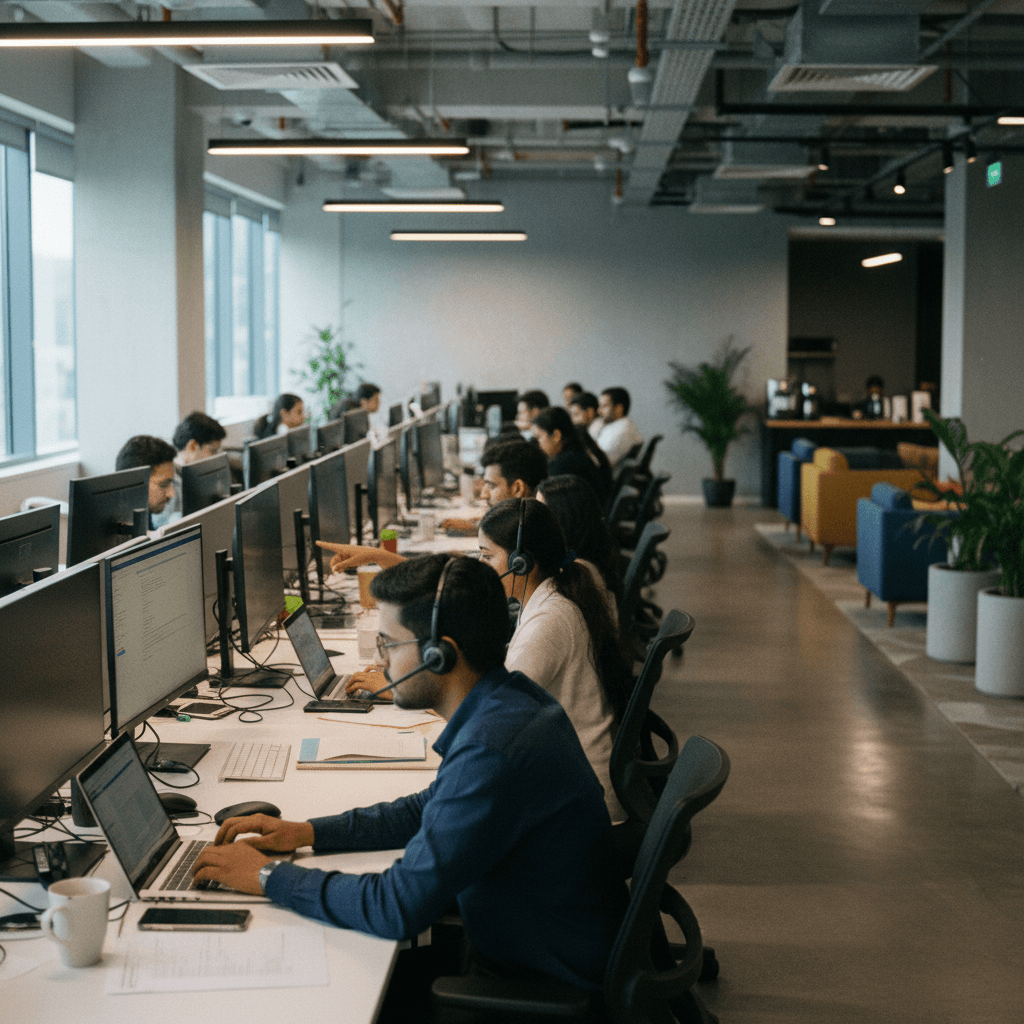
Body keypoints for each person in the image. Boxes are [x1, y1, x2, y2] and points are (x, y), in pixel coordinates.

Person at [193, 554, 624, 1003]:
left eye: (389, 644)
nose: (382, 660)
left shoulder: (492, 747)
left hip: (538, 985)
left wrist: (268, 878)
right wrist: (305, 832)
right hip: (531, 943)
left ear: (440, 654)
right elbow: (427, 808)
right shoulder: (510, 699)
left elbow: (395, 906)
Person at [477, 498, 630, 822]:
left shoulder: (549, 621)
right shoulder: (553, 594)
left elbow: (489, 716)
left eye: (487, 556)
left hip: (586, 812)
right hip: (577, 784)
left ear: (520, 562)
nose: (480, 565)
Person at [537, 474, 623, 610]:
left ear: (565, 518)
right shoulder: (592, 551)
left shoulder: (578, 574)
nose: (536, 521)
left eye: (542, 513)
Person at [437, 438, 548, 532]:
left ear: (518, 489)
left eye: (491, 486)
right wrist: (475, 525)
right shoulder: (528, 524)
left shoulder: (528, 537)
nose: (483, 495)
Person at [152, 412, 228, 526]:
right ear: (192, 446)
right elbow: (163, 526)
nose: (216, 457)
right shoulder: (169, 479)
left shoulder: (195, 473)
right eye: (212, 451)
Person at [531, 406, 611, 505]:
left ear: (556, 435)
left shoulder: (563, 464)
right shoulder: (576, 452)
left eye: (538, 437)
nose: (538, 443)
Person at [114, 435, 177, 521]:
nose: (171, 494)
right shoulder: (108, 531)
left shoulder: (142, 515)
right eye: (163, 485)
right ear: (134, 484)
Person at [596, 387, 644, 471]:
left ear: (619, 408)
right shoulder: (616, 426)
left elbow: (601, 462)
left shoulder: (622, 431)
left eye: (604, 406)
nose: (599, 411)